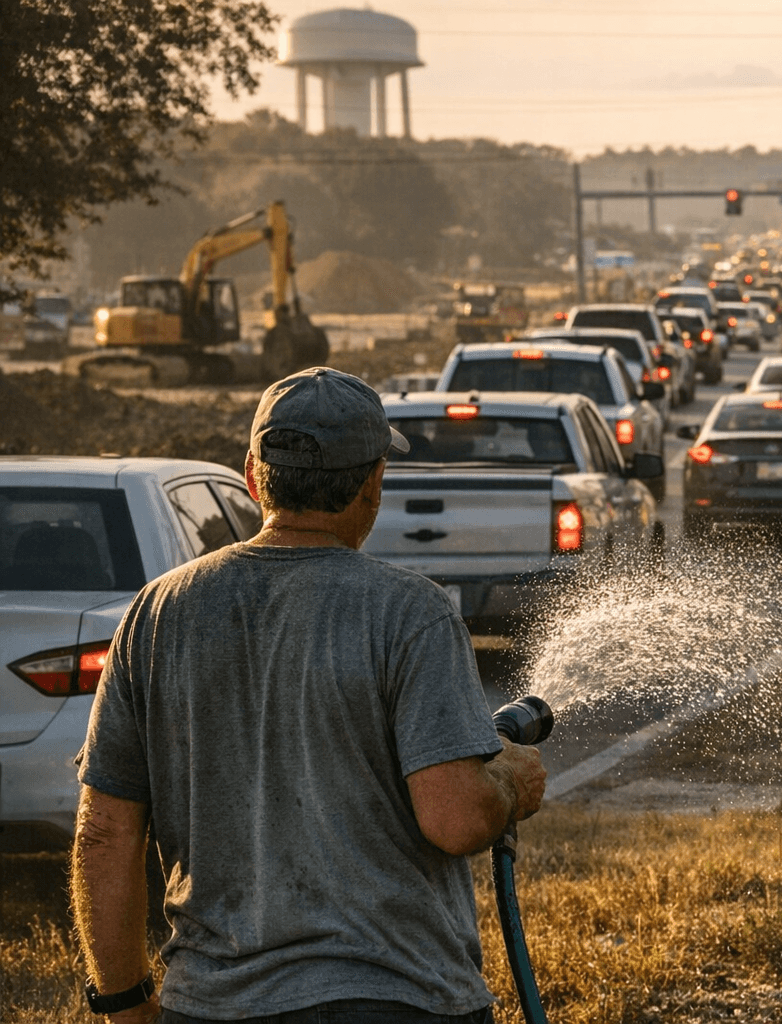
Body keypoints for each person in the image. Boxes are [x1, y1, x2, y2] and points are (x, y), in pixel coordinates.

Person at [72, 368, 548, 1024]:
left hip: (215, 1006)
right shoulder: (413, 612)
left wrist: (125, 1004)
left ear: (252, 476)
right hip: (398, 998)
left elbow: (103, 833)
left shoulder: (157, 613)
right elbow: (456, 818)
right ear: (373, 483)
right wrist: (507, 784)